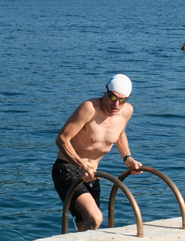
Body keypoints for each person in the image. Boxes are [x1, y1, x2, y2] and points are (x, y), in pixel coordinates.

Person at [52, 74, 142, 231]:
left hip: (92, 174)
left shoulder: (127, 111)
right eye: (113, 97)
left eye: (122, 100)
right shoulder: (89, 108)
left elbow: (120, 133)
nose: (116, 104)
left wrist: (127, 157)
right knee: (95, 218)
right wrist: (81, 166)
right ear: (106, 91)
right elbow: (62, 139)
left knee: (89, 226)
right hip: (67, 168)